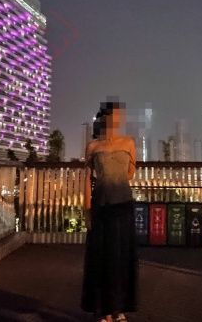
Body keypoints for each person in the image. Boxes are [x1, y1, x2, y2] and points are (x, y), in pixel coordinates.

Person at [81, 101, 138, 322]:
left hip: (123, 205)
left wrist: (114, 178)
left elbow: (130, 173)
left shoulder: (129, 143)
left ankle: (119, 309)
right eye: (113, 116)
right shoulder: (93, 146)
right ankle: (104, 311)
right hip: (101, 206)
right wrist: (86, 210)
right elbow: (87, 179)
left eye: (119, 116)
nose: (117, 119)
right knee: (101, 258)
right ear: (103, 119)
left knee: (121, 258)